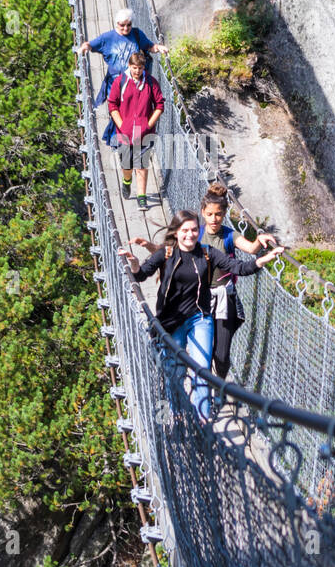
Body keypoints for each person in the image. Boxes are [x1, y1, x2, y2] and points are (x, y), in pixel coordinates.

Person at [120, 211, 283, 421]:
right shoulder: (166, 253)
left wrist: (262, 260)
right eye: (185, 230)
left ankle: (202, 420)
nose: (190, 235)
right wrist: (133, 262)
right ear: (176, 232)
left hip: (200, 318)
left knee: (202, 369)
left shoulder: (208, 253)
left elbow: (238, 268)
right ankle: (177, 413)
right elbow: (140, 275)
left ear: (199, 231)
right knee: (174, 369)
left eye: (194, 230)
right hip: (172, 320)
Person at [199, 182, 278, 378]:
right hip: (200, 298)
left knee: (222, 354)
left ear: (224, 214)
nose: (214, 219)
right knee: (204, 353)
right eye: (209, 214)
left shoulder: (228, 235)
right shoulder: (195, 234)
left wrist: (260, 240)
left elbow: (250, 249)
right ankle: (206, 393)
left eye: (218, 214)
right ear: (202, 213)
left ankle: (219, 386)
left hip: (225, 297)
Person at [80, 7, 168, 111]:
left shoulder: (136, 34)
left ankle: (128, 127)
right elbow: (90, 45)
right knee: (120, 114)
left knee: (132, 114)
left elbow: (149, 46)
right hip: (116, 84)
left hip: (135, 82)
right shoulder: (107, 38)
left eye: (129, 25)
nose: (126, 28)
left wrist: (158, 47)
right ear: (117, 23)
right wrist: (84, 47)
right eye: (122, 25)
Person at [109, 52, 164, 210]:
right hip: (125, 132)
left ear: (144, 67)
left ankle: (142, 196)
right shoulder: (120, 81)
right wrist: (122, 125)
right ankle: (127, 181)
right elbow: (112, 104)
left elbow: (160, 105)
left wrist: (148, 124)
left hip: (144, 132)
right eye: (134, 68)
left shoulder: (151, 83)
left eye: (140, 68)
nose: (137, 71)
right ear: (129, 66)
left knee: (141, 165)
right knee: (127, 165)